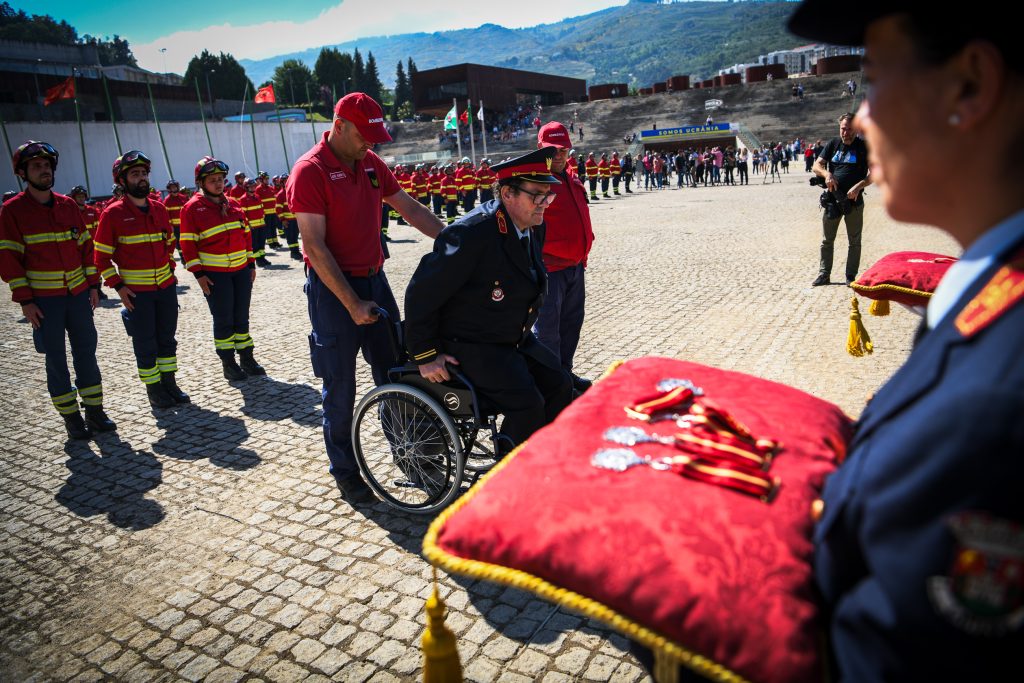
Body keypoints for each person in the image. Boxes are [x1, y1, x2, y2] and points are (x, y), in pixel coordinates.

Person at [287, 92, 444, 505]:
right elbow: (315, 247)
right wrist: (352, 305)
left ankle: (408, 456)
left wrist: (454, 241)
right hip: (333, 291)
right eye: (364, 135)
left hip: (375, 282)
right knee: (340, 388)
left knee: (396, 375)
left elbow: (407, 207)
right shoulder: (310, 171)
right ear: (339, 126)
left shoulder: (370, 163)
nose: (370, 144)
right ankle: (346, 472)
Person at [404, 146, 573, 451]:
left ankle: (544, 455)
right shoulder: (472, 233)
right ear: (507, 193)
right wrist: (426, 354)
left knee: (561, 384)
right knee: (528, 404)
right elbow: (421, 293)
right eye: (537, 195)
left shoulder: (534, 225)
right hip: (471, 343)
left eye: (548, 196)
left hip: (511, 337)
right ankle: (511, 475)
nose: (544, 205)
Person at [0, 141, 115, 439]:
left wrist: (93, 286)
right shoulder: (12, 212)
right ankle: (71, 418)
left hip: (77, 296)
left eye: (47, 165)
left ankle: (95, 411)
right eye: (36, 166)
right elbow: (9, 260)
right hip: (44, 302)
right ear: (23, 172)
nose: (44, 170)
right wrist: (25, 301)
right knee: (56, 359)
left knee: (86, 353)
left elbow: (85, 248)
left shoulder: (67, 206)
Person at [94, 151, 187, 409]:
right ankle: (154, 389)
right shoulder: (112, 214)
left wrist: (169, 270)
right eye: (135, 174)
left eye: (144, 173)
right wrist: (119, 286)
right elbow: (100, 258)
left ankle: (170, 382)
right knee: (145, 342)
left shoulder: (159, 208)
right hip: (137, 293)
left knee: (167, 339)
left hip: (165, 288)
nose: (142, 178)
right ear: (122, 182)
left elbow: (168, 243)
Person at [179, 156, 266, 381]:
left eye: (220, 179)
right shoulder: (192, 209)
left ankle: (247, 357)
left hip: (240, 272)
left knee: (241, 316)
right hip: (215, 275)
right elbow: (187, 245)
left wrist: (251, 264)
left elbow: (246, 235)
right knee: (224, 318)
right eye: (212, 180)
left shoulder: (234, 204)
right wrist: (199, 275)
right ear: (201, 182)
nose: (218, 184)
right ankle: (228, 363)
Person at [533, 122, 594, 394]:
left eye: (564, 150)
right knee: (547, 332)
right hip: (550, 269)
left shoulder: (571, 176)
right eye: (553, 150)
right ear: (541, 149)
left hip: (575, 267)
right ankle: (550, 386)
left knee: (571, 325)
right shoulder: (534, 181)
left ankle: (564, 374)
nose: (559, 155)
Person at [812, 113, 871, 285]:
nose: (845, 133)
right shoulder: (833, 144)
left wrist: (859, 186)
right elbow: (817, 165)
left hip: (854, 202)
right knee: (826, 240)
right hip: (833, 200)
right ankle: (824, 274)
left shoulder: (864, 147)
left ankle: (850, 276)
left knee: (854, 241)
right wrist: (827, 174)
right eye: (843, 129)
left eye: (849, 129)